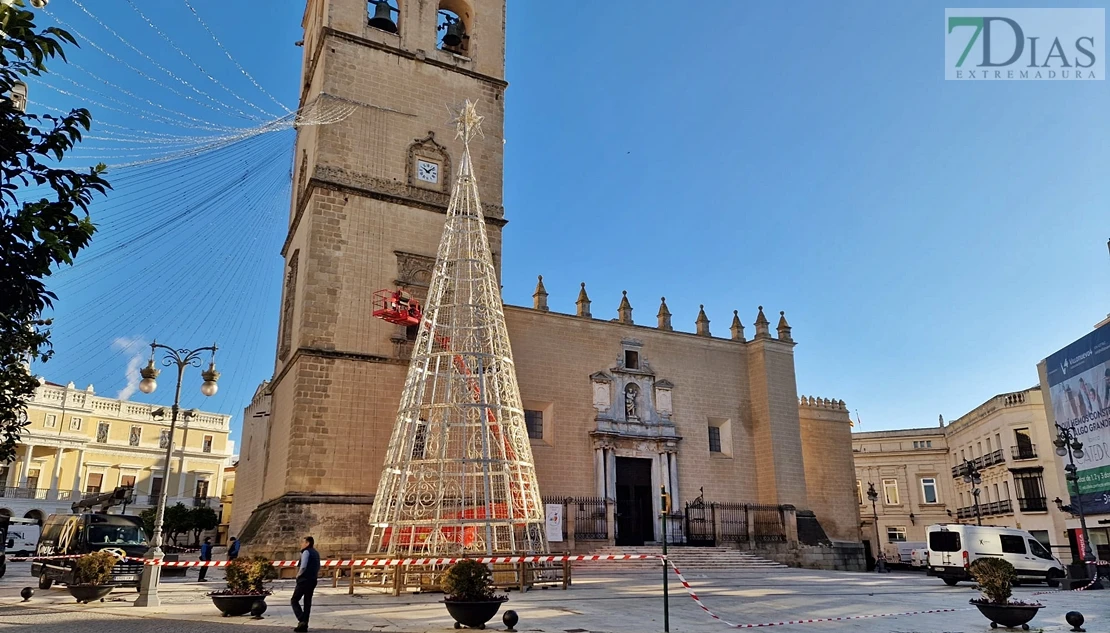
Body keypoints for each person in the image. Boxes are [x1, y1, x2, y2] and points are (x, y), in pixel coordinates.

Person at [291, 536, 320, 633]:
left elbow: (303, 567)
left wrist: (298, 575)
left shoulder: (306, 552)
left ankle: (302, 619)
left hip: (304, 580)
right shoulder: (315, 553)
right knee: (307, 602)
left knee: (294, 600)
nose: (301, 544)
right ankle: (304, 625)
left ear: (307, 543)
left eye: (303, 542)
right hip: (313, 580)